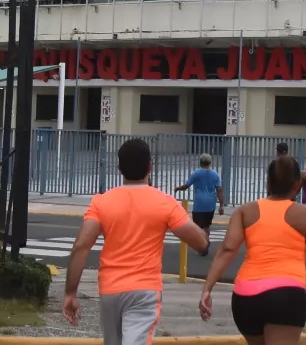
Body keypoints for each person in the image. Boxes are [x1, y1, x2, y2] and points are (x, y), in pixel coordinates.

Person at [64, 139, 211, 345]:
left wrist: (70, 292)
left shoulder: (101, 201)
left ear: (119, 169)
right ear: (150, 166)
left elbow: (81, 246)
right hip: (144, 291)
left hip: (109, 290)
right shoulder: (164, 202)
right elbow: (200, 243)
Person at [199, 156, 306, 345]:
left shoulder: (244, 211)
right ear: (296, 185)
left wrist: (207, 289)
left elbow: (227, 250)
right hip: (286, 295)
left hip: (246, 297)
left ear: (267, 182)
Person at [174, 153, 225, 235]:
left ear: (200, 163)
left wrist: (177, 188)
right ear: (210, 162)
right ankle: (206, 242)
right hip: (210, 204)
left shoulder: (196, 174)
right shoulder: (215, 175)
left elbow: (186, 186)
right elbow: (219, 190)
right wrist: (221, 205)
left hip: (199, 204)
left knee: (197, 226)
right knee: (206, 225)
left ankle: (200, 243)